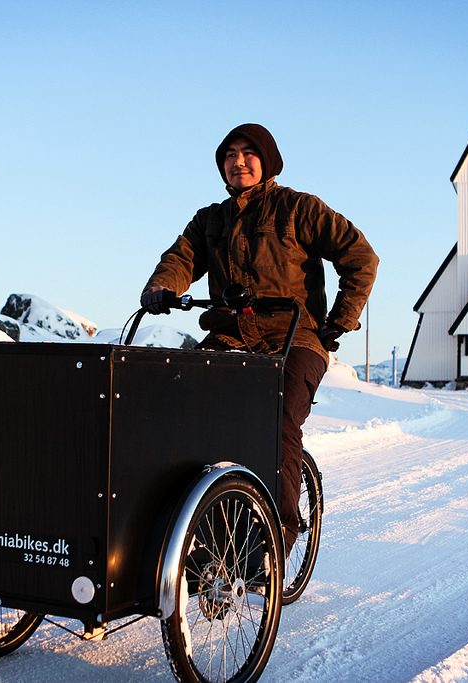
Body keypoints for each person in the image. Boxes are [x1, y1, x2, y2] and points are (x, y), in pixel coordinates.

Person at [140, 123, 378, 554]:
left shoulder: (297, 208)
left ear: (266, 160)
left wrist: (339, 321)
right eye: (230, 155)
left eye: (248, 153)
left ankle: (278, 540)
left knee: (277, 422)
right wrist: (161, 288)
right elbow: (179, 259)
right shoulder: (210, 220)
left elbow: (360, 257)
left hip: (295, 338)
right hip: (231, 337)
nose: (239, 161)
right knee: (185, 414)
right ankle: (203, 534)